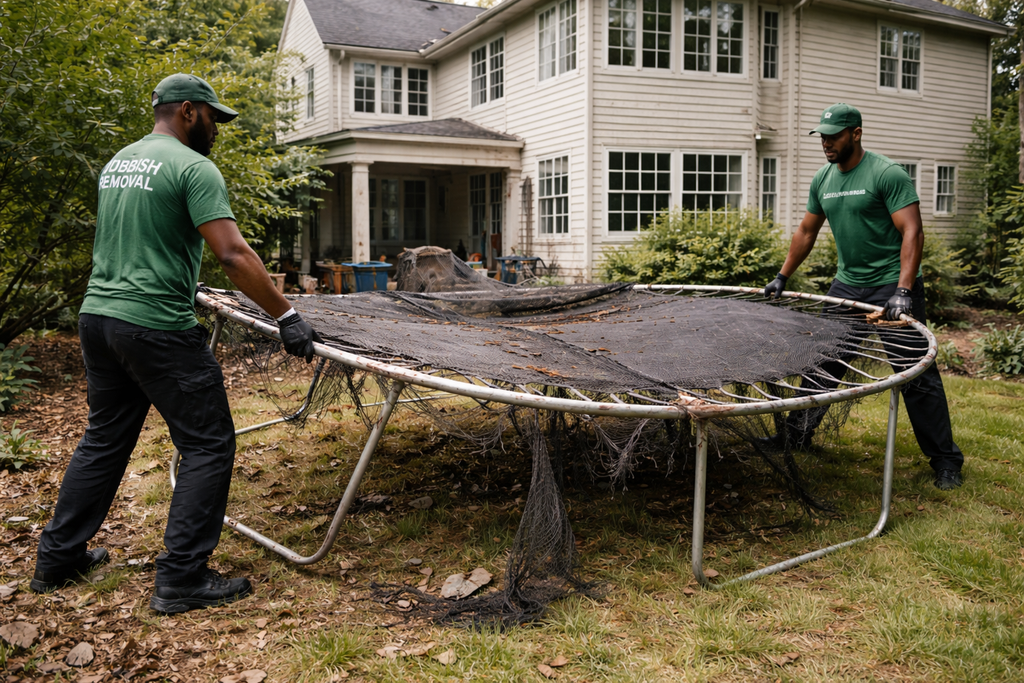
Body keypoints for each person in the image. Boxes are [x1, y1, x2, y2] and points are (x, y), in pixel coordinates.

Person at [30, 74, 322, 612]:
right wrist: (288, 314)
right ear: (188, 111)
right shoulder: (194, 168)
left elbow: (142, 240)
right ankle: (182, 578)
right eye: (213, 117)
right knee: (208, 444)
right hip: (156, 326)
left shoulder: (120, 162)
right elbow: (233, 254)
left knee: (104, 439)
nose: (217, 129)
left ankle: (57, 559)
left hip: (99, 318)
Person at [762, 103, 964, 491]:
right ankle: (797, 435)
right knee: (823, 362)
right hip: (848, 284)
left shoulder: (886, 174)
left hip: (892, 285)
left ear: (856, 133)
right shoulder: (823, 178)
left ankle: (945, 462)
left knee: (916, 376)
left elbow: (912, 232)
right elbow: (806, 231)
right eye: (822, 136)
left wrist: (904, 291)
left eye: (834, 135)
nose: (826, 143)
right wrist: (781, 276)